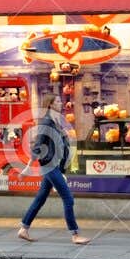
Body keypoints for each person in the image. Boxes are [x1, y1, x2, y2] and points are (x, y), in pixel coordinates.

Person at [18, 99, 90, 245]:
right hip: (49, 166)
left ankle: (23, 229)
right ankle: (75, 235)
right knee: (68, 199)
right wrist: (28, 166)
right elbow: (38, 145)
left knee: (41, 198)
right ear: (50, 104)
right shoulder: (46, 123)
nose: (61, 103)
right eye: (57, 101)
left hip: (54, 166)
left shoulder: (54, 121)